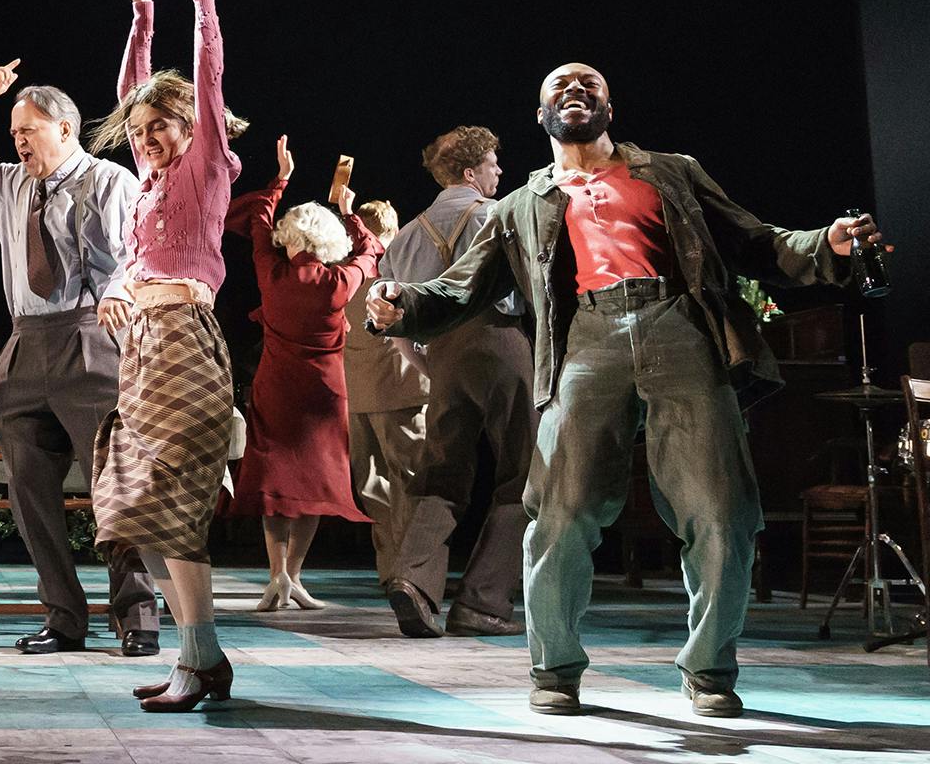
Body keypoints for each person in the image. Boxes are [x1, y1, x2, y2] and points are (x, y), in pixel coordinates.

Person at [368, 63, 883, 718]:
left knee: (723, 513)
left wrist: (826, 244)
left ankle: (709, 670)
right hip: (586, 339)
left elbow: (757, 243)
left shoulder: (673, 173)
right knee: (559, 514)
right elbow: (458, 288)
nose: (574, 89)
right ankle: (554, 670)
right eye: (559, 86)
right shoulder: (521, 203)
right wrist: (401, 305)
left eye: (589, 83)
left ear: (609, 107)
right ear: (540, 115)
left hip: (681, 330)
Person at [0, 63, 161, 656]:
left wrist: (121, 307)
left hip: (92, 337)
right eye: (13, 134)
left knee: (116, 487)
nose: (19, 142)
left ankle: (137, 617)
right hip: (25, 342)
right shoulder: (9, 185)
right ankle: (64, 618)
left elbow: (136, 258)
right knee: (29, 495)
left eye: (27, 131)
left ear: (64, 128)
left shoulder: (109, 181)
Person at [89, 0, 247, 713]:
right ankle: (201, 656)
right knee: (138, 509)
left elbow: (209, 87)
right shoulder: (147, 186)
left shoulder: (205, 169)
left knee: (172, 504)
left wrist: (200, 7)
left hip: (185, 342)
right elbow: (132, 93)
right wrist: (140, 21)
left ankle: (199, 660)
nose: (146, 137)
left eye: (161, 127)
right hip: (142, 350)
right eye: (140, 130)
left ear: (189, 130)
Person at [379, 126, 536, 640]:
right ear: (471, 172)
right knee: (526, 473)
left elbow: (394, 323)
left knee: (442, 472)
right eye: (492, 162)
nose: (499, 170)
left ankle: (413, 579)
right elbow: (533, 287)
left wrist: (433, 367)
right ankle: (482, 603)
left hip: (443, 355)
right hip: (499, 339)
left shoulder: (404, 236)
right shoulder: (498, 215)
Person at [223, 135, 381, 612]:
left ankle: (277, 577)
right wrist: (349, 211)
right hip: (324, 397)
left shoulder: (270, 272)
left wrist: (281, 179)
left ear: (291, 237)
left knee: (276, 486)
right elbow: (371, 250)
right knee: (314, 485)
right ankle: (293, 576)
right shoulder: (339, 281)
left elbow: (257, 218)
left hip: (275, 391)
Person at [337, 199, 423, 604]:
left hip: (357, 391)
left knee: (371, 484)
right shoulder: (396, 266)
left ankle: (391, 568)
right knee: (410, 481)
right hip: (400, 388)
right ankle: (409, 570)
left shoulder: (347, 272)